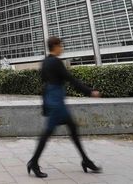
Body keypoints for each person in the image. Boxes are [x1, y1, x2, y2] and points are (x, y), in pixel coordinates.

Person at [27, 36, 102, 178]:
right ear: (55, 46)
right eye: (60, 46)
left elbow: (44, 86)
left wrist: (45, 106)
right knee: (47, 133)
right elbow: (71, 80)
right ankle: (33, 162)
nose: (62, 48)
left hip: (52, 101)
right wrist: (90, 92)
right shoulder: (56, 62)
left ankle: (86, 160)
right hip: (57, 104)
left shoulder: (45, 62)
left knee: (72, 129)